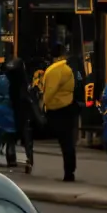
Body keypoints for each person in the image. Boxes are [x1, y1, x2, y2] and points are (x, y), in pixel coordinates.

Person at [38, 47, 79, 183]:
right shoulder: (67, 69)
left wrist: (43, 104)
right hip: (68, 106)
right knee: (68, 142)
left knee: (64, 142)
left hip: (58, 109)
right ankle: (70, 170)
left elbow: (50, 90)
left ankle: (68, 173)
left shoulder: (54, 70)